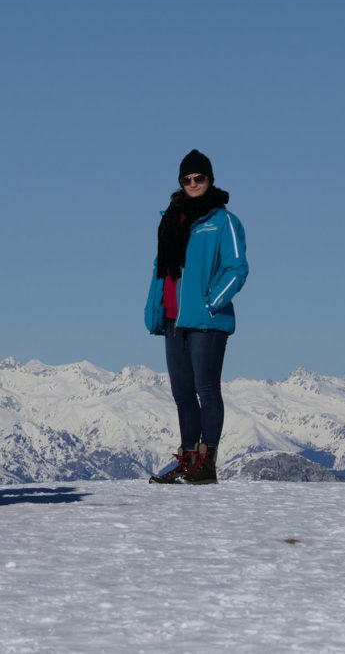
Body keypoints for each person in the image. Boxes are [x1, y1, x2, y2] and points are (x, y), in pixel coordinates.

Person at [145, 150, 248, 485]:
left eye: (198, 178)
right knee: (182, 393)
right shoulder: (171, 220)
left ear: (210, 179)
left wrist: (211, 303)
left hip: (206, 320)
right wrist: (155, 308)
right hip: (174, 319)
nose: (193, 184)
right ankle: (188, 458)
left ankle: (206, 462)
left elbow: (237, 269)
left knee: (206, 389)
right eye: (187, 179)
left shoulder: (223, 221)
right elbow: (161, 271)